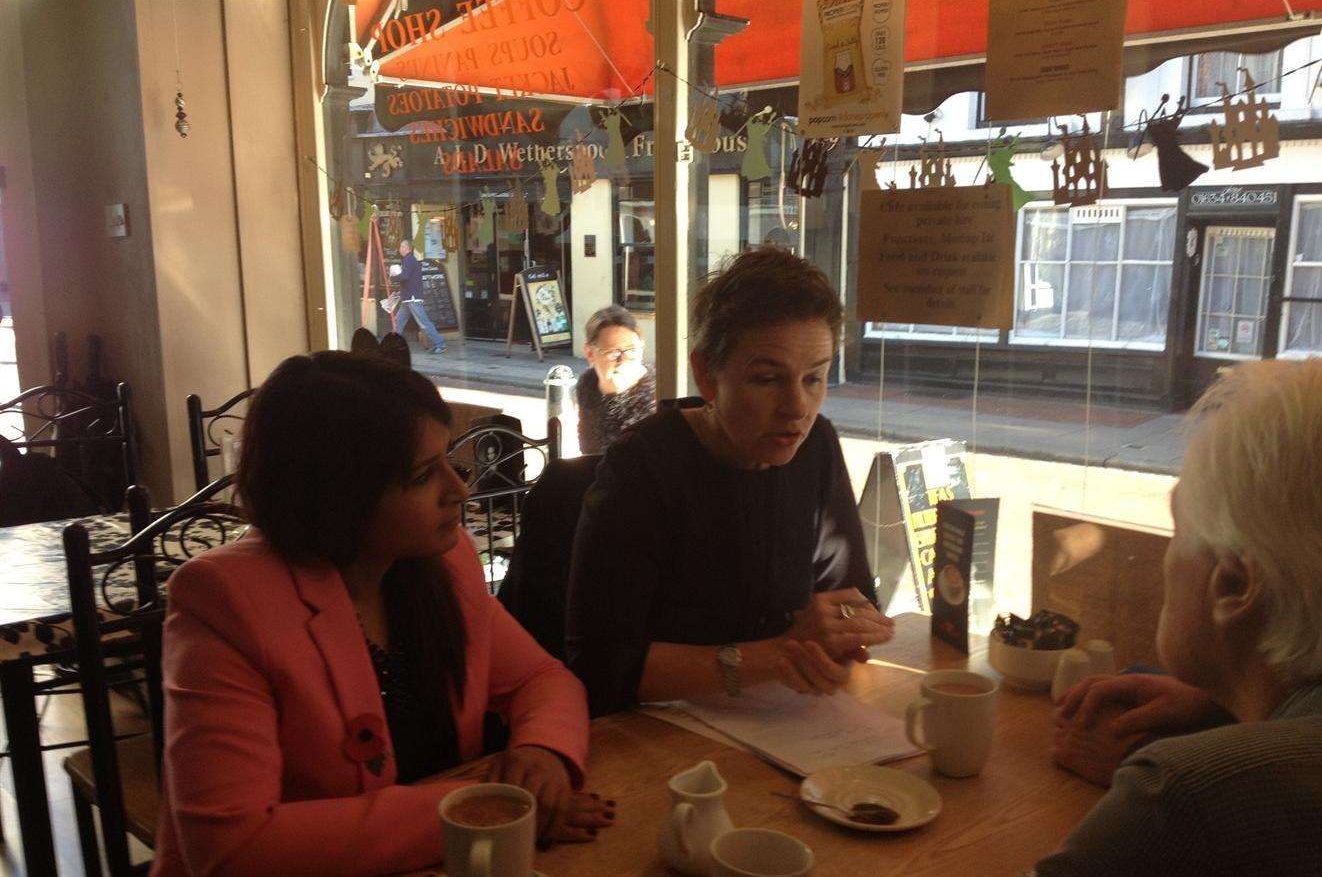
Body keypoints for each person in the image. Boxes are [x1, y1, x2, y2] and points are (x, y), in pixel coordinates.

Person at [151, 352, 612, 877]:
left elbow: (540, 678)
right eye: (423, 476)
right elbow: (234, 849)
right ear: (339, 496)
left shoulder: (444, 563)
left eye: (449, 460)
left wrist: (543, 753)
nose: (459, 489)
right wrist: (480, 810)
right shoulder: (224, 599)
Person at [565, 247, 894, 717]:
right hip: (660, 738)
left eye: (815, 378)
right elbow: (598, 666)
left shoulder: (815, 443)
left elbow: (851, 599)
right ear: (707, 375)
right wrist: (779, 655)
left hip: (789, 724)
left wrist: (843, 638)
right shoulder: (644, 466)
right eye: (767, 378)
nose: (797, 408)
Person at [1034, 358, 1322, 877]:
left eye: (1178, 531)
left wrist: (1189, 773)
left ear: (1232, 584)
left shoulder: (1185, 795)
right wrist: (1228, 709)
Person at [574, 305, 656, 455]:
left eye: (632, 350)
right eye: (613, 352)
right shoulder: (588, 384)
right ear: (590, 353)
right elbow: (588, 453)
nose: (623, 360)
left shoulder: (656, 392)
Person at [392, 239, 447, 354]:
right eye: (400, 246)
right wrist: (400, 293)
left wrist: (393, 278)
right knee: (399, 321)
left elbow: (405, 276)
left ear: (408, 248)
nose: (400, 249)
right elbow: (409, 280)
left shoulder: (409, 259)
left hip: (412, 298)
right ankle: (392, 344)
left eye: (402, 246)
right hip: (408, 297)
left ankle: (440, 344)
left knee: (424, 322)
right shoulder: (409, 260)